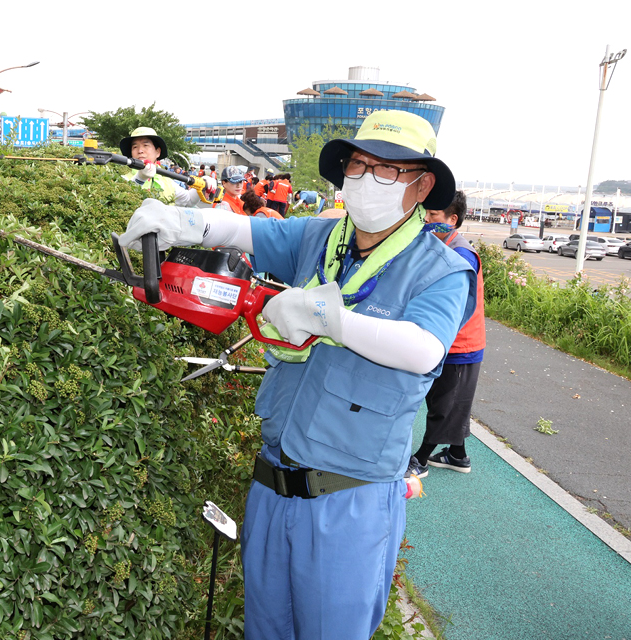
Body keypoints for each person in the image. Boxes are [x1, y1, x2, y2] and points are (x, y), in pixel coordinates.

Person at [118, 110, 475, 640]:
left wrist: (329, 318)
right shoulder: (320, 238)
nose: (365, 180)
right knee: (265, 629)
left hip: (348, 501)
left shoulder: (442, 269)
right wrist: (183, 221)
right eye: (358, 165)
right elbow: (248, 228)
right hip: (272, 483)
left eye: (386, 170)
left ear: (422, 186)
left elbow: (423, 350)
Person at [407, 191, 485, 478]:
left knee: (444, 405)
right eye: (425, 214)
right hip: (447, 341)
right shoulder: (441, 244)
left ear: (453, 220)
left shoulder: (461, 253)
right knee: (448, 400)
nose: (427, 220)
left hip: (460, 344)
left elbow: (454, 308)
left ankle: (421, 459)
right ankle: (457, 454)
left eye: (434, 216)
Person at [120, 127, 216, 207]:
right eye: (135, 147)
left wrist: (203, 183)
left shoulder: (167, 182)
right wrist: (140, 178)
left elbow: (188, 201)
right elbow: (122, 204)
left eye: (145, 145)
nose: (140, 150)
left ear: (158, 152)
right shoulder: (122, 179)